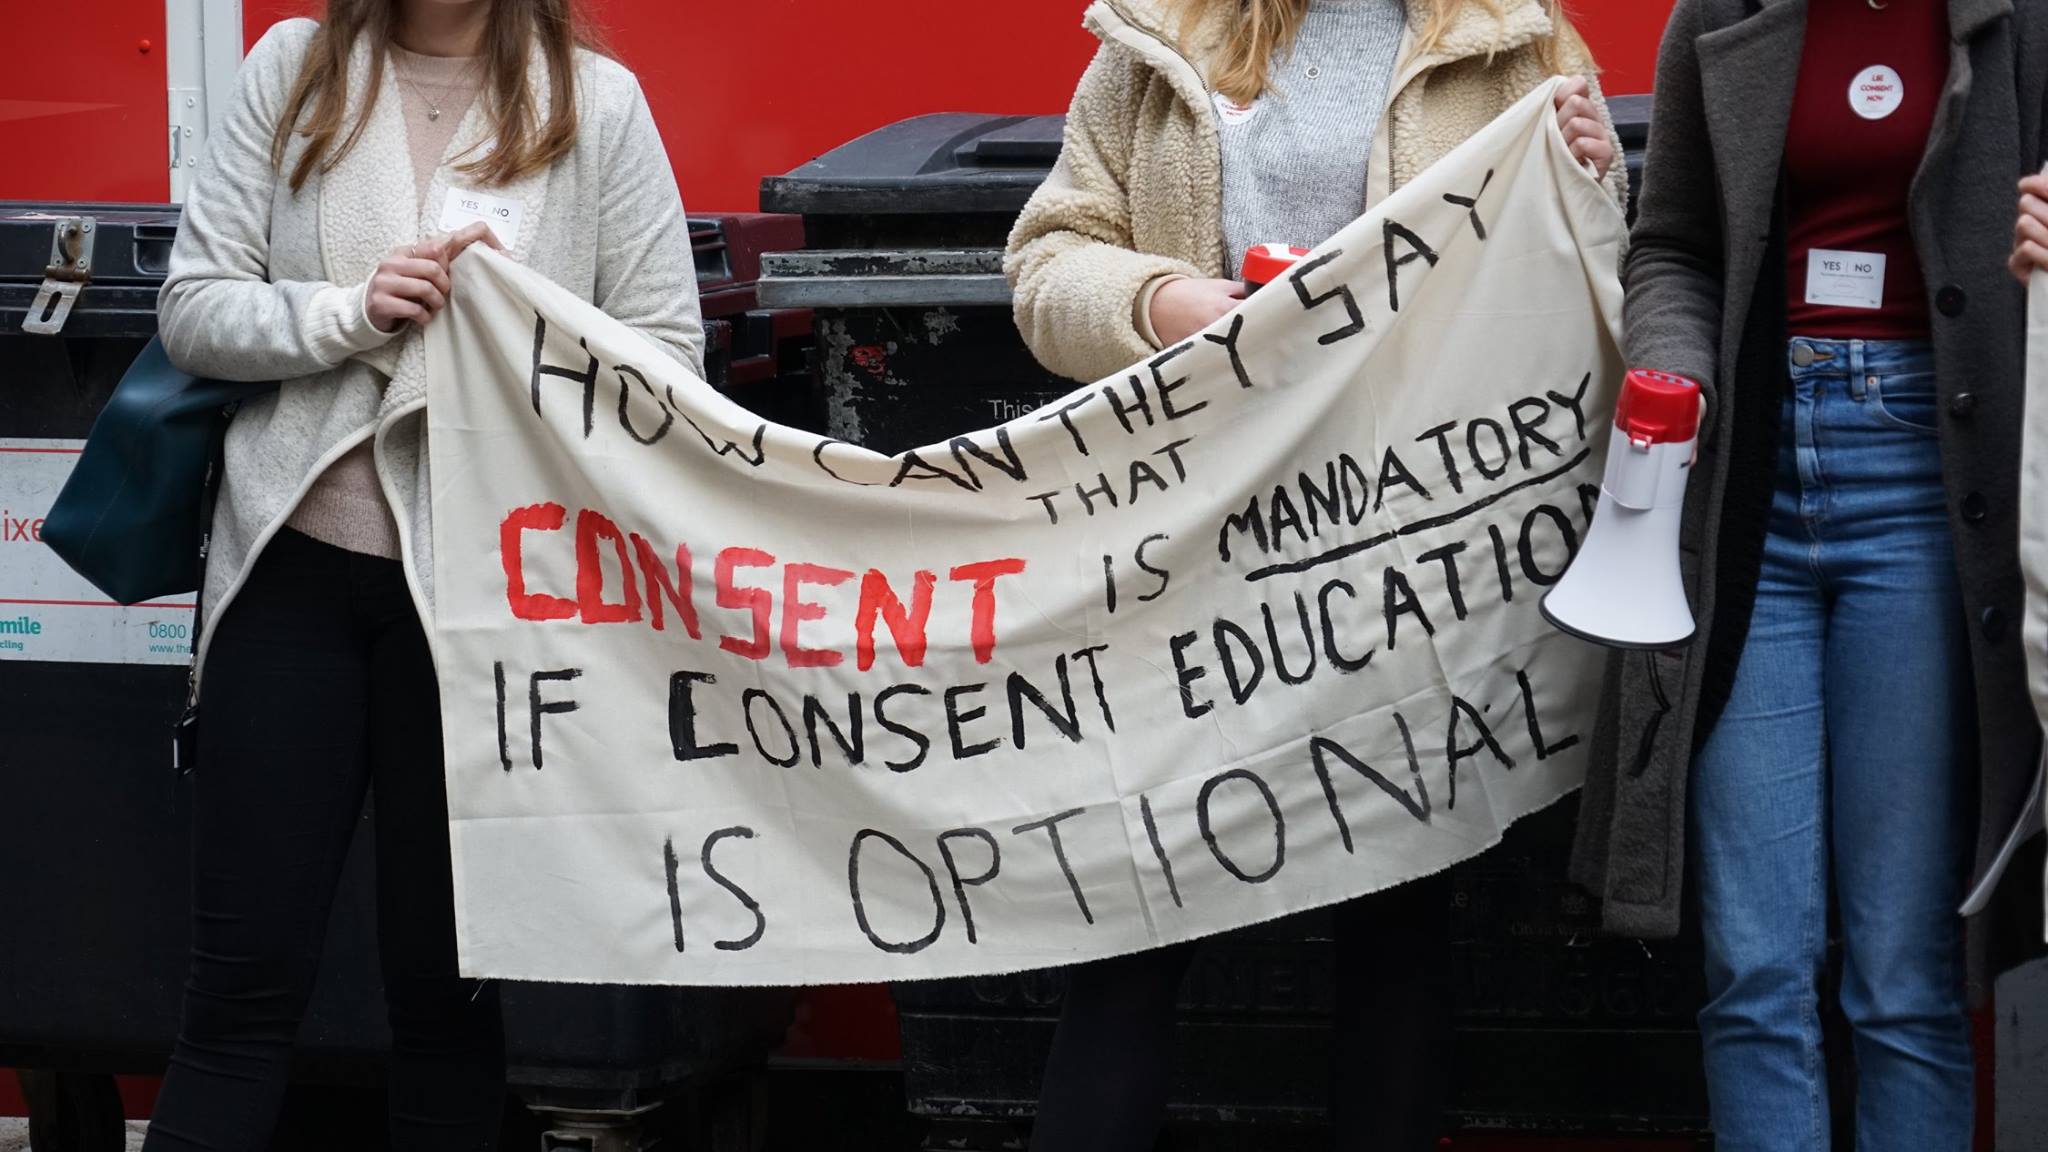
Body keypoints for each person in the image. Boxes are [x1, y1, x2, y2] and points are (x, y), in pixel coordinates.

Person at [1003, 1, 1625, 1147]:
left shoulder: (1510, 34)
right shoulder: (1157, 34)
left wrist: (1593, 182)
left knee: (1396, 922)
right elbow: (1045, 261)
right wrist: (1166, 304)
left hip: (1396, 556)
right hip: (1190, 556)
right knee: (1133, 924)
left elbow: (1582, 281)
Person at [147, 0, 703, 1145]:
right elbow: (195, 309)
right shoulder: (296, 68)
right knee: (236, 997)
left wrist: (520, 341)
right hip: (289, 574)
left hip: (481, 610)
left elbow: (667, 358)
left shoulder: (595, 103)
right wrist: (350, 312)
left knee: (447, 1006)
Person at [1571, 1, 2048, 1148]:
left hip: (1932, 489)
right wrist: (1673, 373)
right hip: (1747, 488)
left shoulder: (2016, 18)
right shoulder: (1723, 14)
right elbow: (1673, 245)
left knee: (1901, 971)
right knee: (1751, 968)